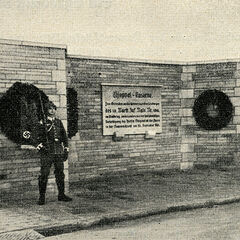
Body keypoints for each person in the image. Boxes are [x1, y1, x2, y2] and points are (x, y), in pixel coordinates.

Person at [36, 101, 72, 205]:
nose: (52, 111)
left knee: (60, 174)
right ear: (46, 111)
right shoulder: (42, 122)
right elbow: (36, 137)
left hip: (58, 152)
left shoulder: (58, 122)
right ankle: (42, 197)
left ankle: (61, 195)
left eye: (54, 108)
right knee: (44, 174)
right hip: (47, 153)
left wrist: (66, 149)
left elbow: (64, 137)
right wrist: (40, 147)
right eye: (50, 109)